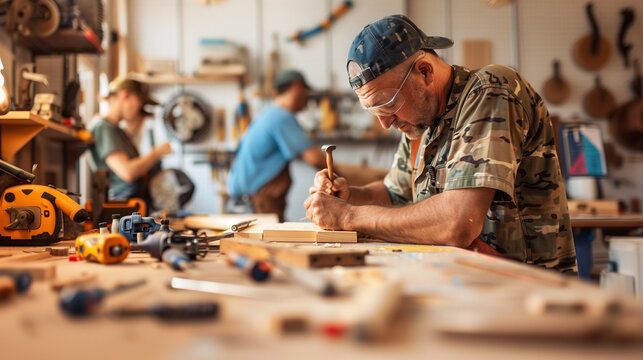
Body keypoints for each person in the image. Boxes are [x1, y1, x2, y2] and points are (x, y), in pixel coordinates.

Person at [305, 15, 576, 272]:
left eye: (388, 105)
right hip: (465, 281)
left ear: (424, 72)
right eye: (374, 111)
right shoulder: (418, 119)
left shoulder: (492, 91)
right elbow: (395, 195)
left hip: (527, 295)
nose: (385, 124)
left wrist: (348, 217)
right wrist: (349, 196)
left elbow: (458, 223)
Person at [227, 70, 327, 222]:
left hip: (246, 200)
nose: (306, 97)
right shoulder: (282, 117)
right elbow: (315, 159)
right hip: (257, 203)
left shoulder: (268, 114)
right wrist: (346, 178)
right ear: (297, 88)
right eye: (305, 92)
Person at [88, 77, 172, 201]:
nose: (140, 108)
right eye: (140, 102)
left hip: (133, 202)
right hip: (122, 206)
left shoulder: (116, 129)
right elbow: (128, 172)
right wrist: (157, 153)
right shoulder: (103, 127)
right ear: (125, 94)